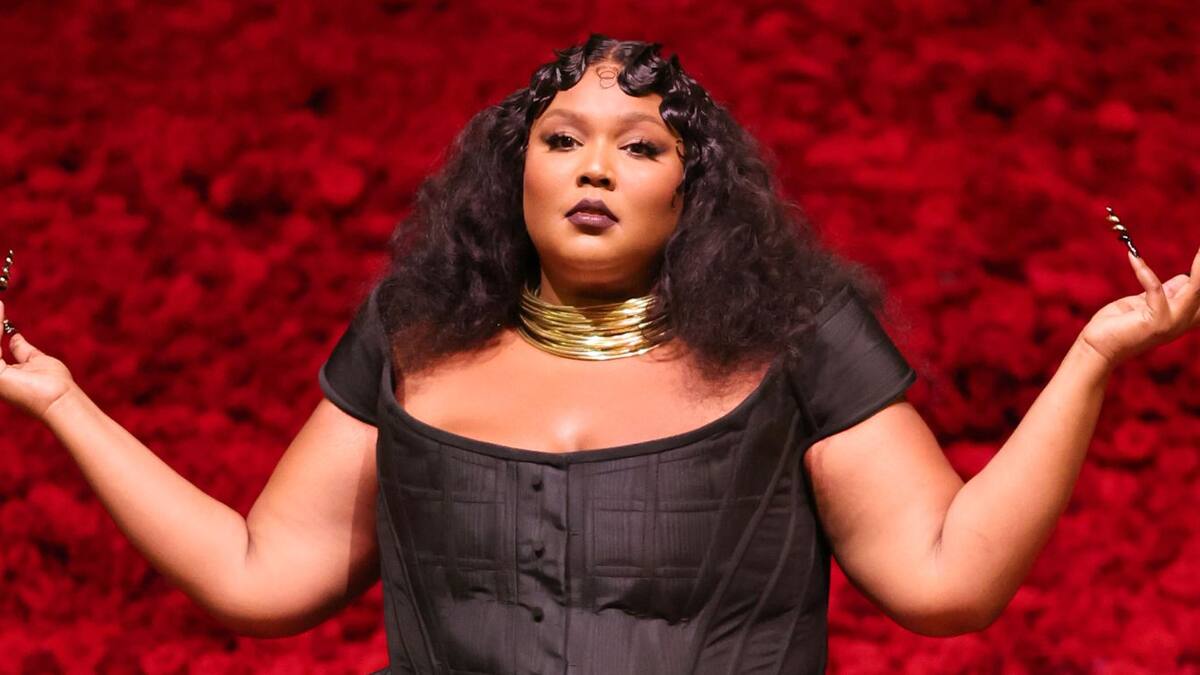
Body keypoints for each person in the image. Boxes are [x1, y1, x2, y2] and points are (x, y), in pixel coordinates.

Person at [1, 34, 1198, 675]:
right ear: (513, 171)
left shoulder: (797, 337)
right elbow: (261, 577)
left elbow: (948, 583)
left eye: (641, 146)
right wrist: (59, 399)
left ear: (693, 191)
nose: (594, 168)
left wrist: (1095, 354)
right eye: (563, 138)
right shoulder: (409, 336)